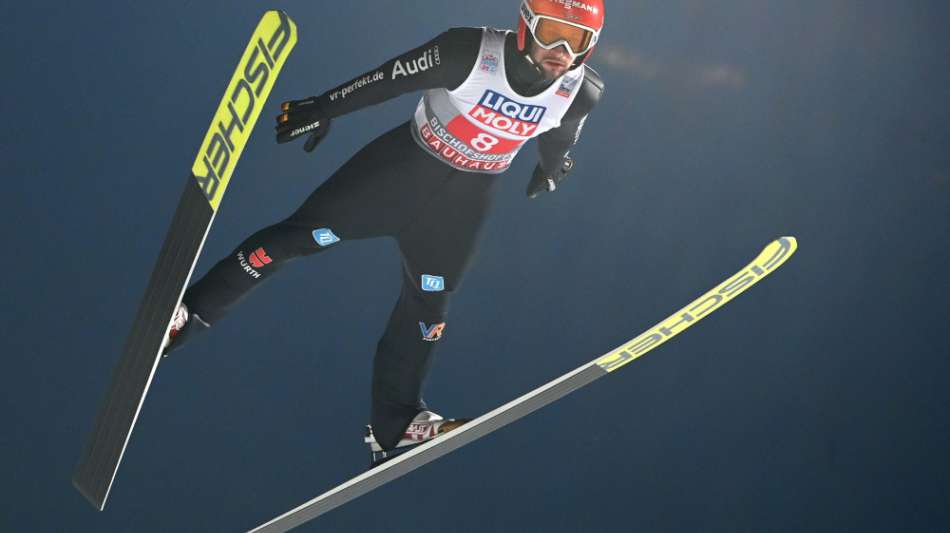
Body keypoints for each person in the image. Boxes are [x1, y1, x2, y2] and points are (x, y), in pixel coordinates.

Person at [163, 0, 606, 464]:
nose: (561, 49)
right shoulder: (469, 51)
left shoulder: (582, 90)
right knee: (296, 238)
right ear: (525, 26)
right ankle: (186, 317)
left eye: (577, 40)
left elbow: (562, 134)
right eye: (552, 32)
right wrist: (325, 106)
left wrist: (552, 170)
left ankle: (395, 425)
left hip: (460, 207)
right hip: (398, 173)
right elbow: (389, 78)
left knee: (429, 307)